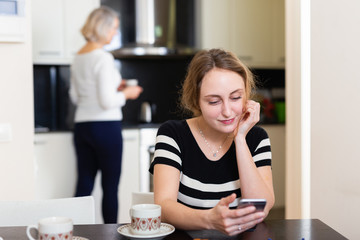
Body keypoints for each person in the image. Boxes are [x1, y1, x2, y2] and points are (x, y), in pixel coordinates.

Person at [149, 48, 275, 236]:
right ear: (196, 100)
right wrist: (210, 219)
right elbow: (164, 206)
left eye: (235, 97)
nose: (227, 111)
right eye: (214, 101)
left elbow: (260, 209)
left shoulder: (256, 138)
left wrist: (240, 139)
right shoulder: (173, 134)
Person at [69, 6, 143, 223]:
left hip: (82, 126)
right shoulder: (103, 58)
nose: (114, 34)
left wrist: (114, 85)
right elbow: (107, 101)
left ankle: (73, 233)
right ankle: (110, 234)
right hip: (106, 127)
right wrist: (127, 93)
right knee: (110, 187)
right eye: (113, 29)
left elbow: (75, 97)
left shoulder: (78, 57)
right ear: (102, 28)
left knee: (84, 183)